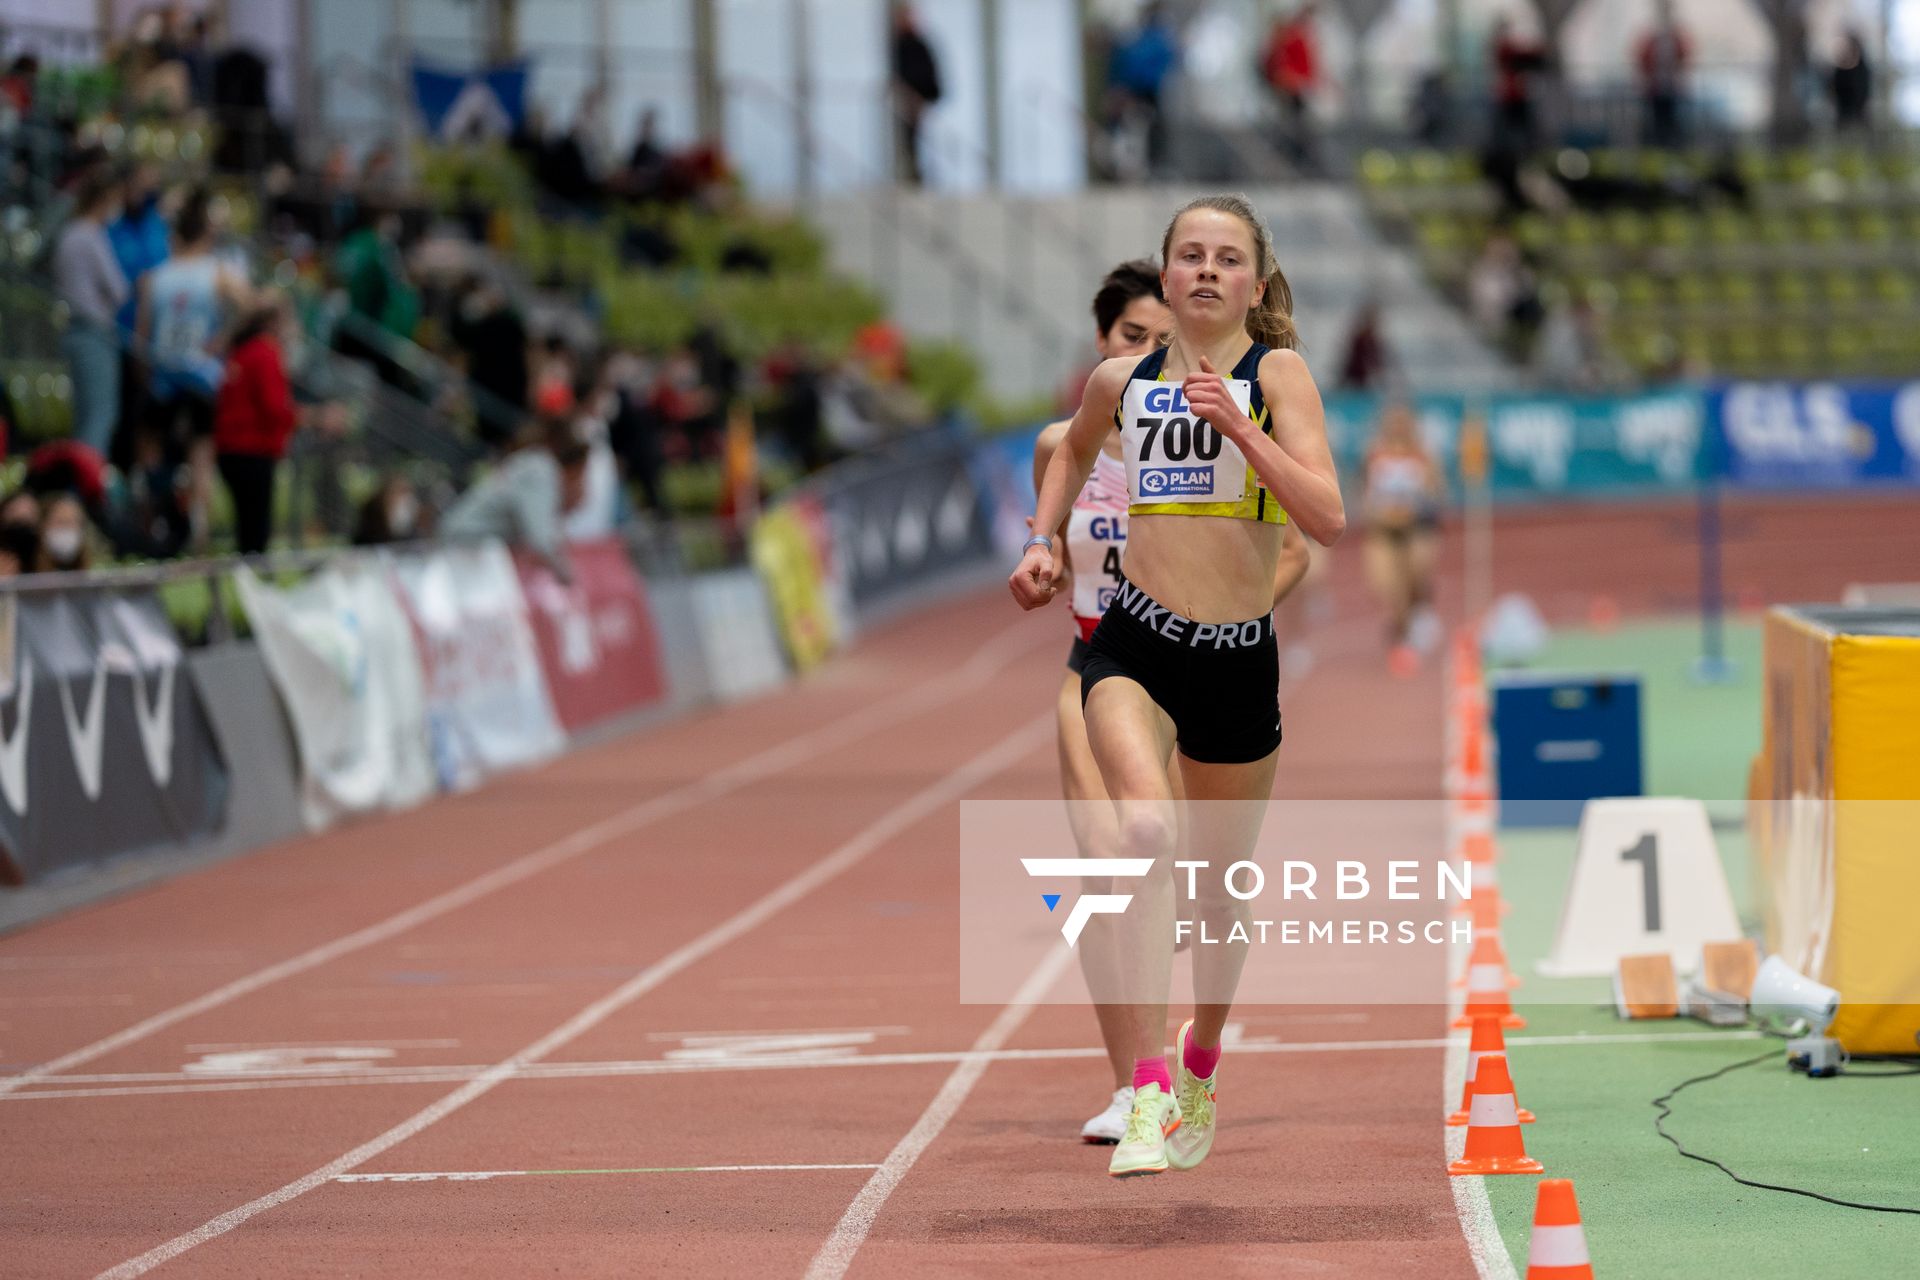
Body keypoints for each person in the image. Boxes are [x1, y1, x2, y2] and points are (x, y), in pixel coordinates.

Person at [1012, 195, 1345, 1178]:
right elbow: (1069, 451)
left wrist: (1242, 432)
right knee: (1146, 833)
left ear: (1252, 281)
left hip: (1238, 659)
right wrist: (1041, 542)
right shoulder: (1119, 380)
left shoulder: (1275, 373)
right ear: (1164, 277)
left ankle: (1200, 1064)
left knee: (1216, 896)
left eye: (1226, 258)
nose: (1205, 270)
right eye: (1189, 255)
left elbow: (1325, 517)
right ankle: (1149, 1088)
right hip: (1134, 645)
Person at [139, 187, 250, 550]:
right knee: (200, 455)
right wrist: (224, 339)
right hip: (202, 376)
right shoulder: (217, 272)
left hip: (163, 378)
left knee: (154, 451)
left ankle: (153, 520)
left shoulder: (155, 277)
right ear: (205, 233)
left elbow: (143, 338)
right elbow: (252, 305)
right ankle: (197, 534)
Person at [439, 418, 592, 582]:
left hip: (471, 543)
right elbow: (540, 539)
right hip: (464, 543)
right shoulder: (541, 472)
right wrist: (566, 574)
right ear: (577, 467)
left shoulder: (537, 464)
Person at [214, 293, 301, 555]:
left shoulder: (241, 351)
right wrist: (315, 418)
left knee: (246, 524)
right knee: (255, 530)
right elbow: (275, 407)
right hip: (253, 449)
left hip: (229, 448)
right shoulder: (266, 351)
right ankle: (252, 582)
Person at [1359, 404, 1444, 666]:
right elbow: (1364, 493)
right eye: (1393, 422)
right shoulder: (1374, 453)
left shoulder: (1424, 455)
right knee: (1387, 587)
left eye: (1402, 422)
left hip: (1416, 529)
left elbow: (1435, 492)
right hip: (1383, 531)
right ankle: (1401, 628)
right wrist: (1379, 513)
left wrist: (1412, 509)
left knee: (1417, 574)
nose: (1398, 427)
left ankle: (1415, 620)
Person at [53, 171, 130, 457]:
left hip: (74, 330)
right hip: (93, 331)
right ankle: (84, 488)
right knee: (100, 416)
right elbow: (119, 289)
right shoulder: (89, 236)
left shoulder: (68, 233)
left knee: (85, 415)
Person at [1262, 4, 1322, 172]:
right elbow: (1277, 66)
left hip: (1296, 88)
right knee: (1292, 127)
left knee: (1297, 126)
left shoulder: (1295, 37)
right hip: (1290, 88)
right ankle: (1291, 160)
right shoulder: (1289, 39)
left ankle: (1300, 161)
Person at [890, 4, 943, 185]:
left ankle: (915, 174)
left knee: (914, 137)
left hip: (916, 98)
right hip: (907, 99)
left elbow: (927, 72)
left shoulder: (917, 44)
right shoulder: (898, 45)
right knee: (908, 138)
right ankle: (911, 174)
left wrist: (926, 94)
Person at [1635, 0, 1691, 148]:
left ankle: (1673, 146)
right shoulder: (1652, 38)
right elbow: (1643, 60)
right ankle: (1657, 146)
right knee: (1656, 121)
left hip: (1671, 87)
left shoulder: (1675, 37)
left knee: (1672, 121)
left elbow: (1683, 58)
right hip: (1655, 88)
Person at [36, 492, 95, 573]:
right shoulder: (26, 572)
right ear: (43, 526)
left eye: (71, 522)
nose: (66, 528)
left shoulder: (94, 571)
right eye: (60, 522)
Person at [1831, 31, 1872, 133]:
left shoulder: (1861, 67)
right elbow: (1836, 85)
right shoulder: (1841, 68)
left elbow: (1863, 86)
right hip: (1844, 108)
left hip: (1858, 107)